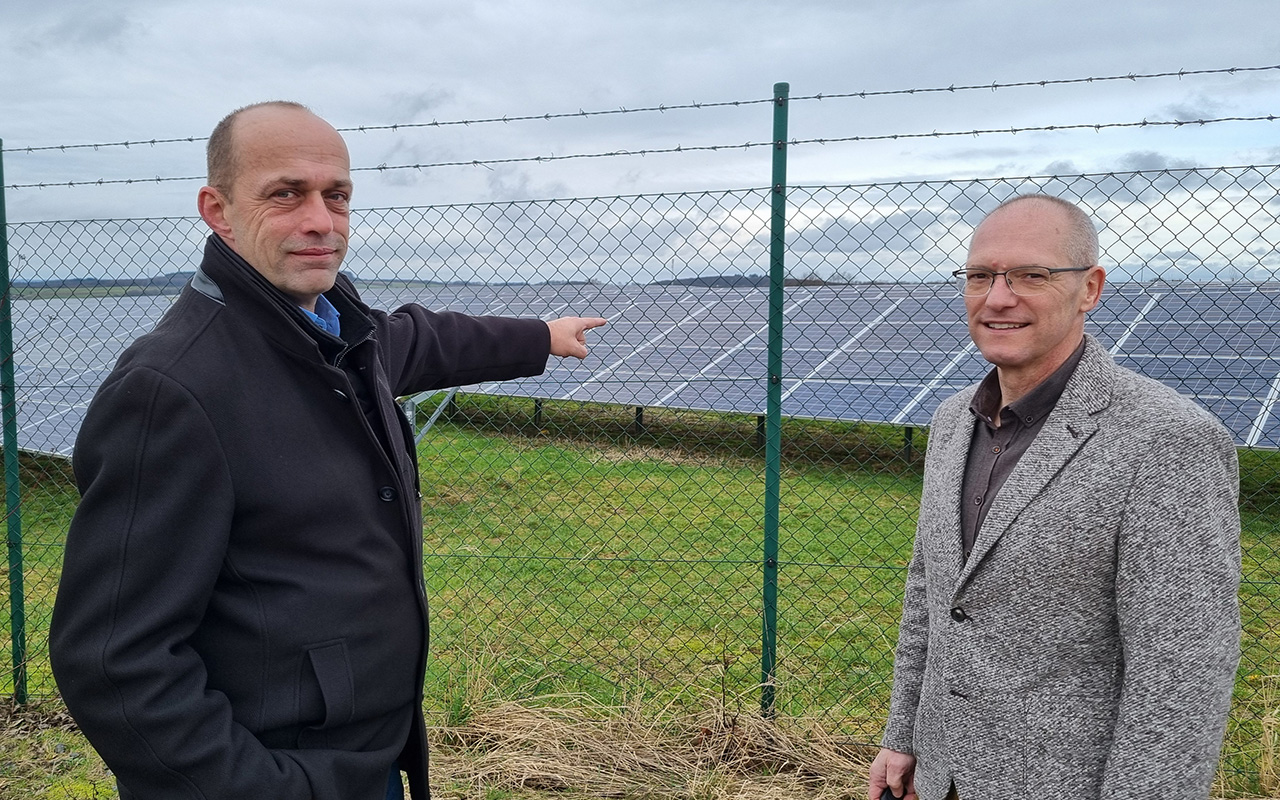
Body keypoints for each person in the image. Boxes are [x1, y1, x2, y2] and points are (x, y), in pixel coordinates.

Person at [49, 101, 607, 800]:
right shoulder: (172, 390)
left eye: (336, 196)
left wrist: (537, 337)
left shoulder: (336, 332)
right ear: (217, 210)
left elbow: (419, 341)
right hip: (283, 774)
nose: (320, 220)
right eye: (285, 194)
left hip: (369, 758)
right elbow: (113, 661)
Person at [867, 194, 1241, 800]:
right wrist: (904, 734)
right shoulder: (952, 421)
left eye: (1031, 276)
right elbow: (929, 597)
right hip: (941, 778)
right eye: (981, 275)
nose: (998, 297)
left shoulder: (1168, 439)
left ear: (1089, 288)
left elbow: (1182, 670)